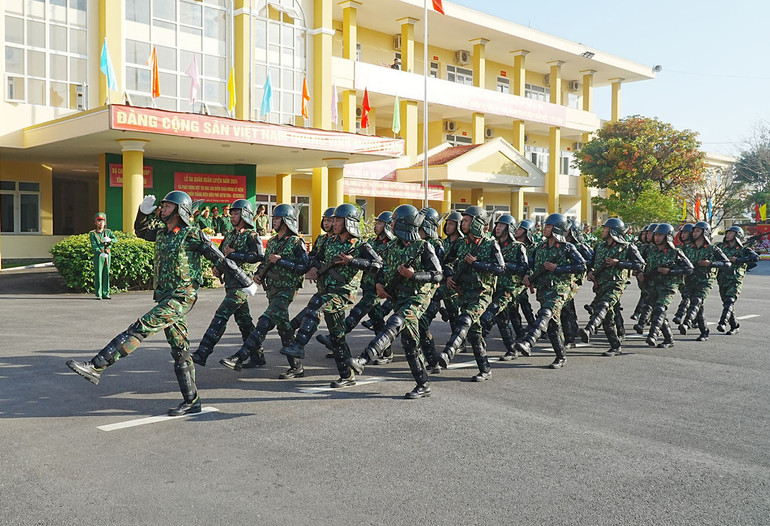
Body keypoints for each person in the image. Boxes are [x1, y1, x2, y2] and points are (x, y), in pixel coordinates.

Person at [65, 191, 257, 416]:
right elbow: (141, 231)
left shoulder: (192, 234)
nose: (162, 210)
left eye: (166, 207)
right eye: (162, 206)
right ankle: (192, 401)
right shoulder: (163, 234)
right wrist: (141, 212)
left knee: (141, 326)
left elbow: (219, 258)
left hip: (182, 296)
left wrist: (244, 281)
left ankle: (97, 366)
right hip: (166, 295)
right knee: (180, 351)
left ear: (179, 211)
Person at [280, 204, 382, 388]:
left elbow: (377, 264)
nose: (333, 223)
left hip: (343, 294)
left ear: (348, 222)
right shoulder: (330, 241)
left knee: (316, 303)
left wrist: (353, 262)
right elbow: (316, 258)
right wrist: (312, 268)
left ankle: (299, 345)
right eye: (333, 220)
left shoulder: (360, 245)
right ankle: (347, 375)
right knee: (337, 337)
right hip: (327, 290)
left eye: (337, 220)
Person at [348, 204, 443, 398]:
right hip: (399, 297)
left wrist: (414, 275)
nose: (390, 224)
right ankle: (423, 384)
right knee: (410, 343)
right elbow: (382, 271)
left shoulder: (424, 246)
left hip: (418, 297)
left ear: (404, 224)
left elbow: (437, 275)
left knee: (395, 321)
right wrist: (379, 285)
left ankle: (364, 360)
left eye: (393, 220)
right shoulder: (392, 246)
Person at [220, 204, 311, 373]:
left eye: (277, 219)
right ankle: (296, 367)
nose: (274, 222)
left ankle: (240, 356)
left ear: (286, 221)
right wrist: (258, 274)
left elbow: (304, 266)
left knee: (264, 322)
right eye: (274, 218)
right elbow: (266, 261)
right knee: (284, 327)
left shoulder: (297, 242)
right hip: (272, 289)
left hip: (287, 289)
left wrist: (281, 261)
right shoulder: (274, 241)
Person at [190, 199, 264, 367]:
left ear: (245, 215)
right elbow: (221, 254)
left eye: (236, 213)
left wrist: (236, 254)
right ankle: (257, 355)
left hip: (242, 284)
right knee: (244, 321)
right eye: (231, 213)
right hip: (231, 283)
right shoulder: (230, 234)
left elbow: (259, 256)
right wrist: (217, 268)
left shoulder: (252, 235)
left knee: (221, 315)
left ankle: (203, 352)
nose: (232, 216)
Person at [316, 211, 394, 362]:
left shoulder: (391, 245)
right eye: (376, 223)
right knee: (377, 320)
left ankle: (336, 339)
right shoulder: (371, 241)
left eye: (380, 223)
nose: (376, 226)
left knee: (357, 312)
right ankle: (387, 352)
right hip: (367, 285)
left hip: (378, 287)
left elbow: (382, 265)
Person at [437, 206, 505, 381]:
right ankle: (485, 369)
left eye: (467, 220)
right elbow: (445, 263)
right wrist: (449, 276)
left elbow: (500, 268)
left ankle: (449, 351)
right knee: (475, 334)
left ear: (477, 223)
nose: (463, 223)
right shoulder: (460, 243)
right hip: (464, 293)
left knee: (465, 319)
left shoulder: (490, 244)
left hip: (482, 293)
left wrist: (477, 263)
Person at [514, 213, 586, 367]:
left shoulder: (567, 247)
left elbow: (581, 266)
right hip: (543, 290)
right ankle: (561, 357)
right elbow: (530, 266)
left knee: (546, 313)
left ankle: (529, 340)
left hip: (560, 289)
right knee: (553, 325)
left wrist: (558, 268)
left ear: (557, 229)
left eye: (548, 226)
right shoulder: (540, 247)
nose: (544, 228)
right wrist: (527, 276)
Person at [578, 218, 645, 356]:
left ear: (613, 231)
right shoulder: (600, 246)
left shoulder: (627, 247)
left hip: (616, 284)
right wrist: (590, 272)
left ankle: (589, 328)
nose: (602, 231)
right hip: (601, 284)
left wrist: (619, 263)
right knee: (608, 317)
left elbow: (640, 264)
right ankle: (615, 346)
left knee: (603, 305)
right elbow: (591, 262)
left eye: (605, 228)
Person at [479, 214, 528, 361]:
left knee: (492, 311)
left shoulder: (518, 247)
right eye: (497, 225)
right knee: (502, 319)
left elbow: (523, 267)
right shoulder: (493, 245)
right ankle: (512, 349)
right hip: (496, 286)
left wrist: (506, 265)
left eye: (502, 225)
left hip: (511, 288)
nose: (498, 228)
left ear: (509, 229)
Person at [637, 223, 693, 347]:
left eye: (660, 235)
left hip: (669, 286)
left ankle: (653, 335)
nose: (657, 238)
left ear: (667, 236)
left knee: (659, 308)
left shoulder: (675, 252)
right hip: (652, 285)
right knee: (657, 313)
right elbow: (639, 263)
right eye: (656, 235)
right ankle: (669, 339)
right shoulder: (650, 250)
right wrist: (640, 272)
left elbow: (689, 269)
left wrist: (670, 272)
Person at [677, 221, 731, 341]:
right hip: (690, 281)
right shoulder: (687, 248)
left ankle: (686, 323)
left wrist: (711, 263)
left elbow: (727, 263)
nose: (694, 233)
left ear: (704, 232)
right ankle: (704, 331)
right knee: (699, 308)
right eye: (694, 231)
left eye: (697, 231)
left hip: (704, 281)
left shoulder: (713, 249)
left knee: (696, 301)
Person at [715, 225, 759, 335]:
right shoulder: (721, 247)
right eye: (727, 233)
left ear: (737, 235)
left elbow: (756, 258)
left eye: (730, 233)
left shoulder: (744, 250)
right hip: (722, 278)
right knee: (726, 302)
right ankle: (734, 326)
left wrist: (738, 260)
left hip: (735, 279)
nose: (727, 235)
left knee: (730, 300)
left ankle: (722, 322)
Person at [671, 223, 695, 324]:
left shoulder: (695, 247)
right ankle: (694, 320)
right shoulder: (677, 247)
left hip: (694, 277)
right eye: (682, 232)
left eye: (686, 232)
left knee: (690, 298)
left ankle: (680, 314)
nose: (683, 235)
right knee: (688, 297)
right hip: (681, 276)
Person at [89, 212, 116, 300]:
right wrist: (100, 252)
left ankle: (106, 293)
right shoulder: (93, 234)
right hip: (99, 255)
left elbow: (116, 240)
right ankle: (98, 294)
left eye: (102, 221)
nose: (101, 223)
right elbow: (94, 245)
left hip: (107, 254)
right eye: (99, 221)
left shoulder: (108, 232)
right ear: (95, 223)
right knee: (99, 274)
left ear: (105, 223)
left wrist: (110, 240)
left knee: (106, 273)